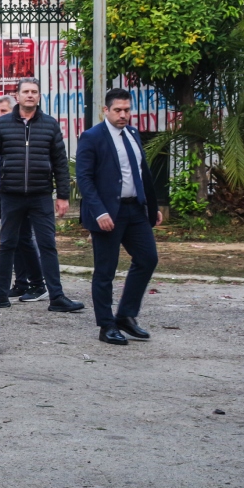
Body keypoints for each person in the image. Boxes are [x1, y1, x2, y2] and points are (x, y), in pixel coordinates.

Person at [76, 88, 161, 346]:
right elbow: (85, 179)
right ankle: (106, 325)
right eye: (118, 110)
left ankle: (126, 315)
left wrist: (151, 206)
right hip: (107, 213)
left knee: (148, 259)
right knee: (105, 270)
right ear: (106, 110)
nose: (123, 115)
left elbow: (142, 173)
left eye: (127, 110)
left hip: (135, 209)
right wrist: (99, 211)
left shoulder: (133, 134)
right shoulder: (92, 137)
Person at [0, 79, 84, 313]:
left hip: (41, 195)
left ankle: (57, 297)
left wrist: (63, 195)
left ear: (39, 96)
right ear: (18, 95)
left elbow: (60, 163)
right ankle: (0, 295)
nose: (30, 95)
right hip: (11, 195)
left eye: (34, 92)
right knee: (7, 245)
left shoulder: (50, 125)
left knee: (47, 246)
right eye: (26, 92)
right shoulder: (2, 125)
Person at [0, 95, 45, 300]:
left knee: (21, 240)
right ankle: (22, 283)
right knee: (18, 240)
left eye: (3, 111)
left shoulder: (23, 135)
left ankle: (38, 283)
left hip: (24, 195)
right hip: (3, 192)